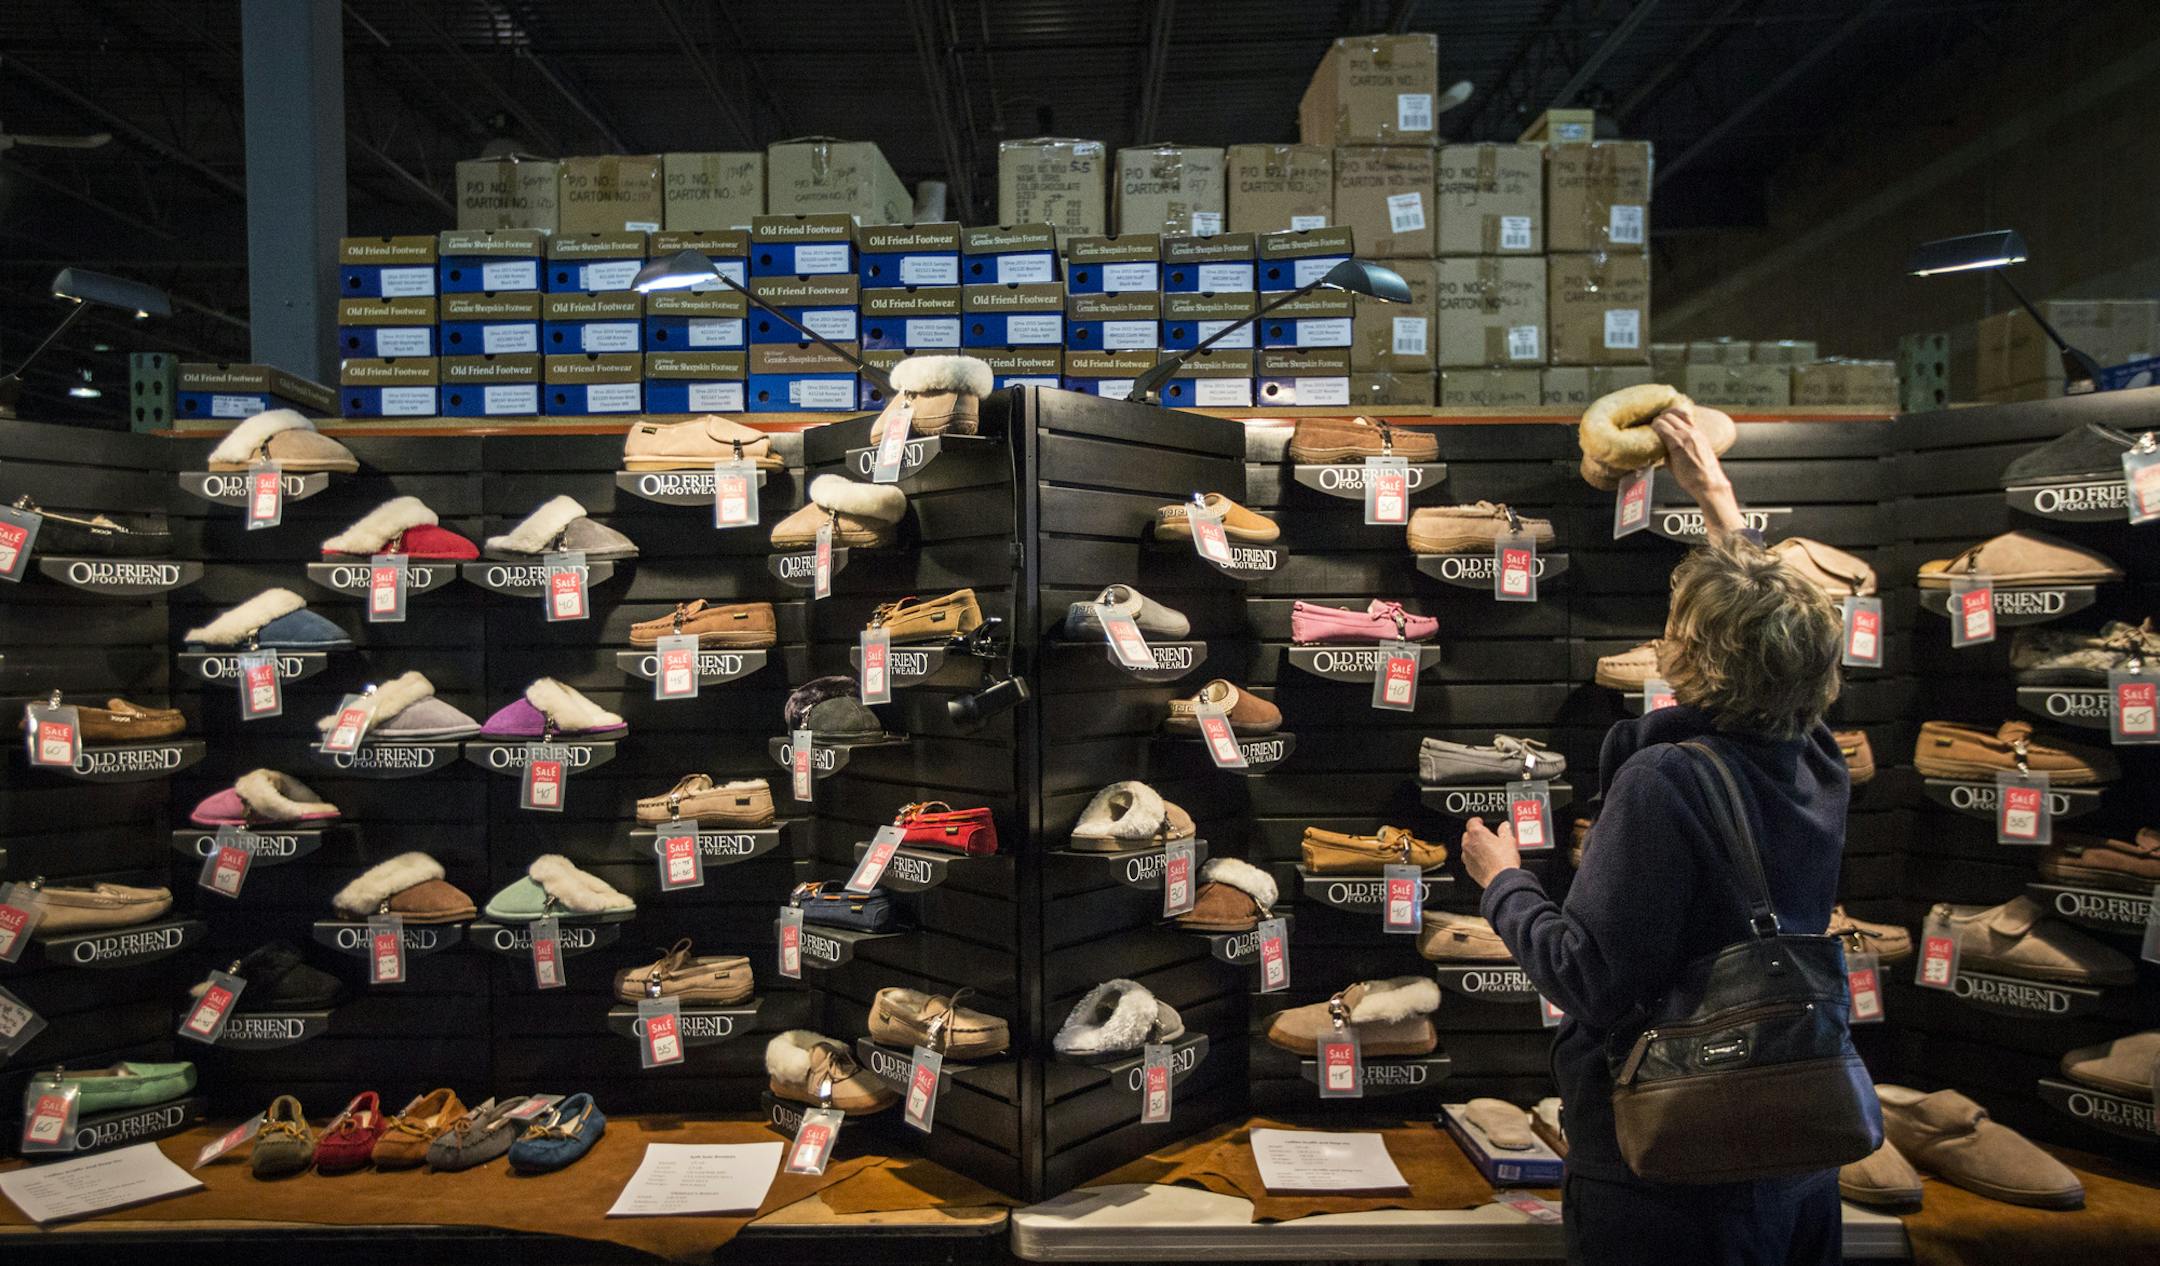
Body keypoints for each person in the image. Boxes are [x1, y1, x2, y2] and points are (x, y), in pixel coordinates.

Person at [1459, 406, 1851, 1266]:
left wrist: (1504, 881)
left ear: (1688, 655)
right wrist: (1716, 500)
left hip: (1670, 1157)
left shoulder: (1663, 782)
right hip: (1791, 1134)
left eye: (1676, 623)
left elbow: (1591, 978)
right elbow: (1780, 631)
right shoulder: (1815, 757)